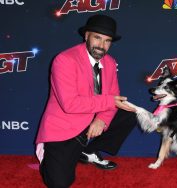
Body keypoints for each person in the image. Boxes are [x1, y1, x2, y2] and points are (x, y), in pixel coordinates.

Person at [36, 14, 137, 188]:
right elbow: (70, 104)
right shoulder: (65, 60)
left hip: (91, 118)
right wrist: (108, 102)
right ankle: (48, 154)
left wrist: (101, 119)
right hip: (65, 126)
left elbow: (114, 97)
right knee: (60, 183)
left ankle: (87, 151)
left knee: (129, 114)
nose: (101, 46)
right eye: (97, 38)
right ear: (86, 35)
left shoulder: (110, 63)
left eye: (107, 41)